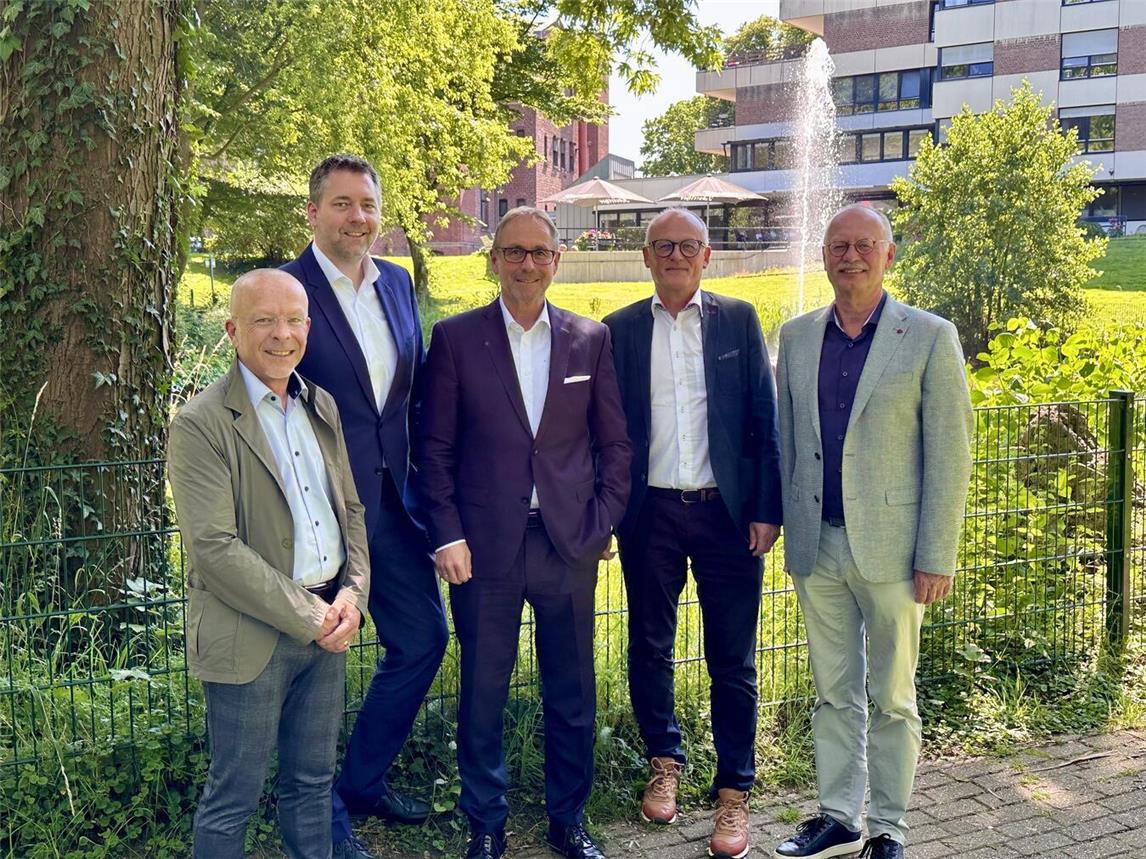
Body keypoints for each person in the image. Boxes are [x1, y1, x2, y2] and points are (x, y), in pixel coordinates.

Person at [414, 206, 632, 859]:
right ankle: (486, 820)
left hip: (568, 542)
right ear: (494, 259)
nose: (527, 264)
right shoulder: (455, 339)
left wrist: (600, 525)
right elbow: (433, 450)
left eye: (539, 252)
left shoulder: (588, 338)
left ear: (556, 260)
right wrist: (446, 533)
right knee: (483, 688)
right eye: (514, 252)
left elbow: (615, 446)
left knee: (571, 689)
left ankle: (569, 817)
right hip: (483, 548)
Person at [773, 205, 972, 859]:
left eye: (864, 244)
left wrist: (936, 551)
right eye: (837, 245)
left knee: (891, 696)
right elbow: (785, 442)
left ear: (889, 255)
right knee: (834, 694)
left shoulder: (929, 336)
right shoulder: (797, 337)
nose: (849, 255)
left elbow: (950, 453)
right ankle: (838, 816)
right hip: (817, 543)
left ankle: (888, 827)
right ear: (825, 255)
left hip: (893, 549)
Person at [168, 269, 369, 859]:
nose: (282, 335)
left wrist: (352, 595)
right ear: (233, 330)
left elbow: (350, 510)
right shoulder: (201, 423)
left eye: (293, 320)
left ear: (308, 326)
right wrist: (313, 618)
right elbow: (213, 548)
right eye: (263, 320)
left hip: (330, 620)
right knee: (235, 795)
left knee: (311, 785)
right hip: (250, 634)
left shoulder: (320, 405)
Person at [282, 154, 449, 859]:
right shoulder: (288, 289)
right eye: (343, 204)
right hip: (318, 508)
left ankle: (360, 782)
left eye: (368, 205)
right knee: (318, 660)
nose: (358, 217)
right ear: (314, 212)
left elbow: (403, 398)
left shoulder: (399, 285)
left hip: (394, 503)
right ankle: (323, 820)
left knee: (423, 640)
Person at [603, 208, 783, 859]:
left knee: (731, 658)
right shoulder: (618, 329)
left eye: (687, 245)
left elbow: (764, 417)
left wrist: (767, 508)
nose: (675, 255)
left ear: (706, 256)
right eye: (663, 246)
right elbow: (606, 431)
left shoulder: (737, 318)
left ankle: (734, 790)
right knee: (649, 643)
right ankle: (664, 759)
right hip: (649, 513)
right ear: (646, 257)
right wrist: (605, 513)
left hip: (727, 515)